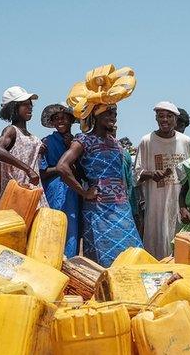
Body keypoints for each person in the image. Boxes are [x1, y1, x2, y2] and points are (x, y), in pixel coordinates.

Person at [56, 105, 142, 266]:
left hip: (121, 207)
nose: (113, 117)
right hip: (99, 208)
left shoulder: (116, 143)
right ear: (95, 115)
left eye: (115, 113)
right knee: (102, 259)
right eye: (108, 113)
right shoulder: (83, 139)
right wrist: (84, 192)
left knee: (132, 252)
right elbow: (62, 166)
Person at [135, 101, 190, 258]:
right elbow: (136, 173)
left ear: (176, 119)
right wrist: (152, 174)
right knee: (155, 245)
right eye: (161, 116)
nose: (165, 120)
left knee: (180, 245)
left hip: (180, 203)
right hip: (156, 204)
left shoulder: (186, 142)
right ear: (156, 118)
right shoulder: (147, 141)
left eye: (169, 116)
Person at [39, 103, 82, 256]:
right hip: (53, 190)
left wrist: (70, 146)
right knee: (54, 228)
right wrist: (60, 168)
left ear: (71, 120)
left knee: (72, 229)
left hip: (72, 191)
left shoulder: (78, 142)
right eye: (56, 119)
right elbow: (42, 172)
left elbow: (82, 170)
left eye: (63, 118)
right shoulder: (46, 142)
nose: (60, 121)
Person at [0, 85, 44, 203]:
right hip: (16, 194)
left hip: (33, 192)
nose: (30, 107)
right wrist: (28, 170)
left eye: (30, 104)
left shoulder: (32, 136)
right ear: (14, 108)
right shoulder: (11, 130)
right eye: (25, 104)